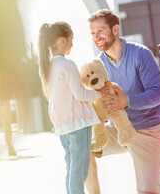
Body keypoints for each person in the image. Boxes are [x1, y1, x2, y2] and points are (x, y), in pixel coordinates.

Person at [86, 9, 160, 194]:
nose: (96, 37)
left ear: (115, 29)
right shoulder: (97, 65)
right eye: (92, 33)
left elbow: (157, 94)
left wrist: (126, 101)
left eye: (100, 31)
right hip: (118, 130)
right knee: (82, 147)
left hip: (148, 130)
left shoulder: (141, 54)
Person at [37, 22, 108, 194]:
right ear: (62, 40)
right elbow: (81, 94)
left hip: (63, 126)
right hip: (78, 124)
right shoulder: (67, 65)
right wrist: (100, 94)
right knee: (79, 172)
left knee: (71, 170)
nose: (73, 44)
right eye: (71, 39)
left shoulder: (48, 68)